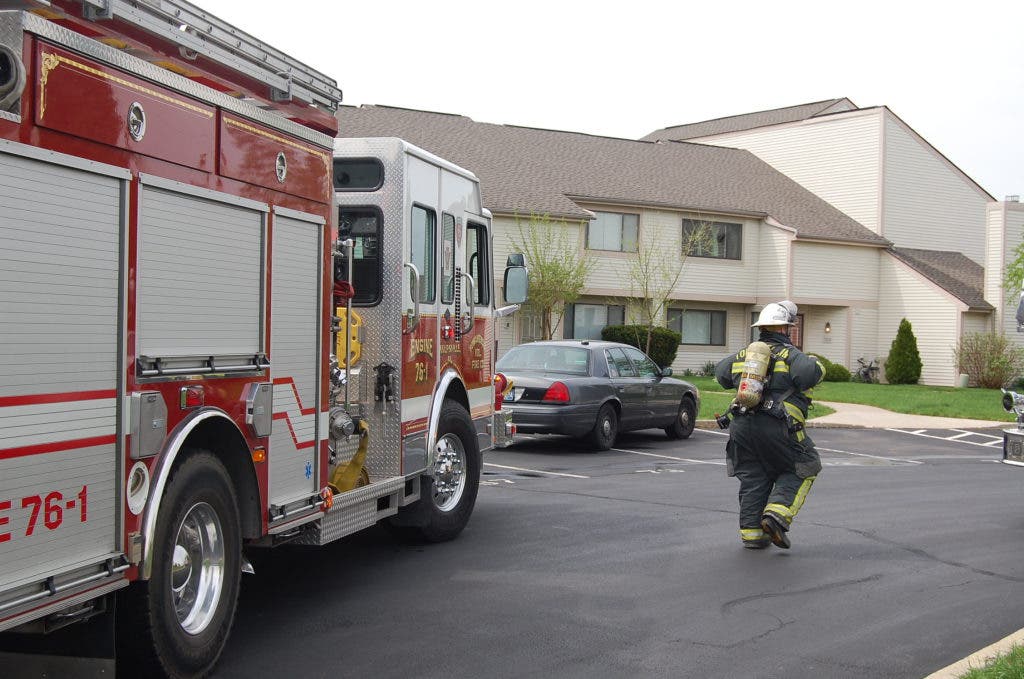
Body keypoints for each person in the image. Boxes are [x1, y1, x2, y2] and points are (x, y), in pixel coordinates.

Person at [715, 302, 825, 549]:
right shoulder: (790, 354)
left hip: (742, 426)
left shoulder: (745, 355)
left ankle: (753, 535)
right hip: (778, 427)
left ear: (761, 328)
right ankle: (777, 515)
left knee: (754, 476)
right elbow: (809, 374)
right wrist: (817, 363)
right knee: (804, 465)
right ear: (786, 329)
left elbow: (721, 373)